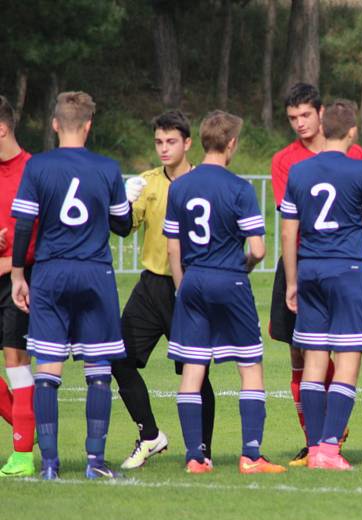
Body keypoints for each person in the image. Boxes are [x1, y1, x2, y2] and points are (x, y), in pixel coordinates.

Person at [10, 91, 133, 479]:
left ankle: (49, 464)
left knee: (47, 370)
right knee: (99, 370)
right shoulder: (107, 168)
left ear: (55, 124)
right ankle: (95, 462)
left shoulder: (38, 167)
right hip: (95, 273)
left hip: (50, 272)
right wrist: (124, 202)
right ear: (90, 126)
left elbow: (25, 224)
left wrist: (17, 274)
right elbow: (123, 226)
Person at [164, 110, 285, 475]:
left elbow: (173, 248)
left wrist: (183, 288)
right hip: (229, 279)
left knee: (193, 369)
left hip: (193, 280)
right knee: (250, 366)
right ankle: (251, 455)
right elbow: (260, 249)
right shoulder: (239, 188)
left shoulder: (180, 185)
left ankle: (194, 457)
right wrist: (244, 265)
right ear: (231, 144)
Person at [281, 100, 362, 470]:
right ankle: (329, 448)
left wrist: (292, 280)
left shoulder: (299, 171)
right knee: (347, 359)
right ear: (354, 131)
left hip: (310, 269)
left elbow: (289, 228)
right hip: (347, 270)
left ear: (322, 127)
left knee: (313, 359)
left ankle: (312, 448)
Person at [112, 111, 217, 470]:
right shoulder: (148, 182)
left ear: (188, 143)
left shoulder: (204, 181)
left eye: (171, 141)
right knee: (119, 358)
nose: (164, 148)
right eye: (158, 141)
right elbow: (124, 228)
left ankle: (202, 449)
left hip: (189, 285)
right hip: (151, 284)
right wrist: (123, 203)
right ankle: (150, 435)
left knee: (196, 370)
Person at [0, 95, 36, 477]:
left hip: (22, 279)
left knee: (17, 363)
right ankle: (31, 426)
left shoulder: (33, 170)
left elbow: (43, 232)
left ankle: (22, 455)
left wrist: (14, 264)